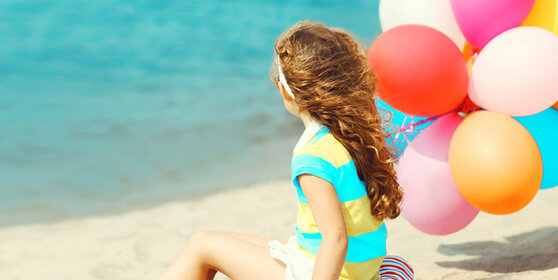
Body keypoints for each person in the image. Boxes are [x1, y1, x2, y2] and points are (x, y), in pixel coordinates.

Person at [159, 21, 414, 280]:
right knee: (251, 243)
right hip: (361, 268)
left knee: (202, 245)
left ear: (285, 90)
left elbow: (336, 240)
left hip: (327, 273)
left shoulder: (312, 158)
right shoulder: (353, 135)